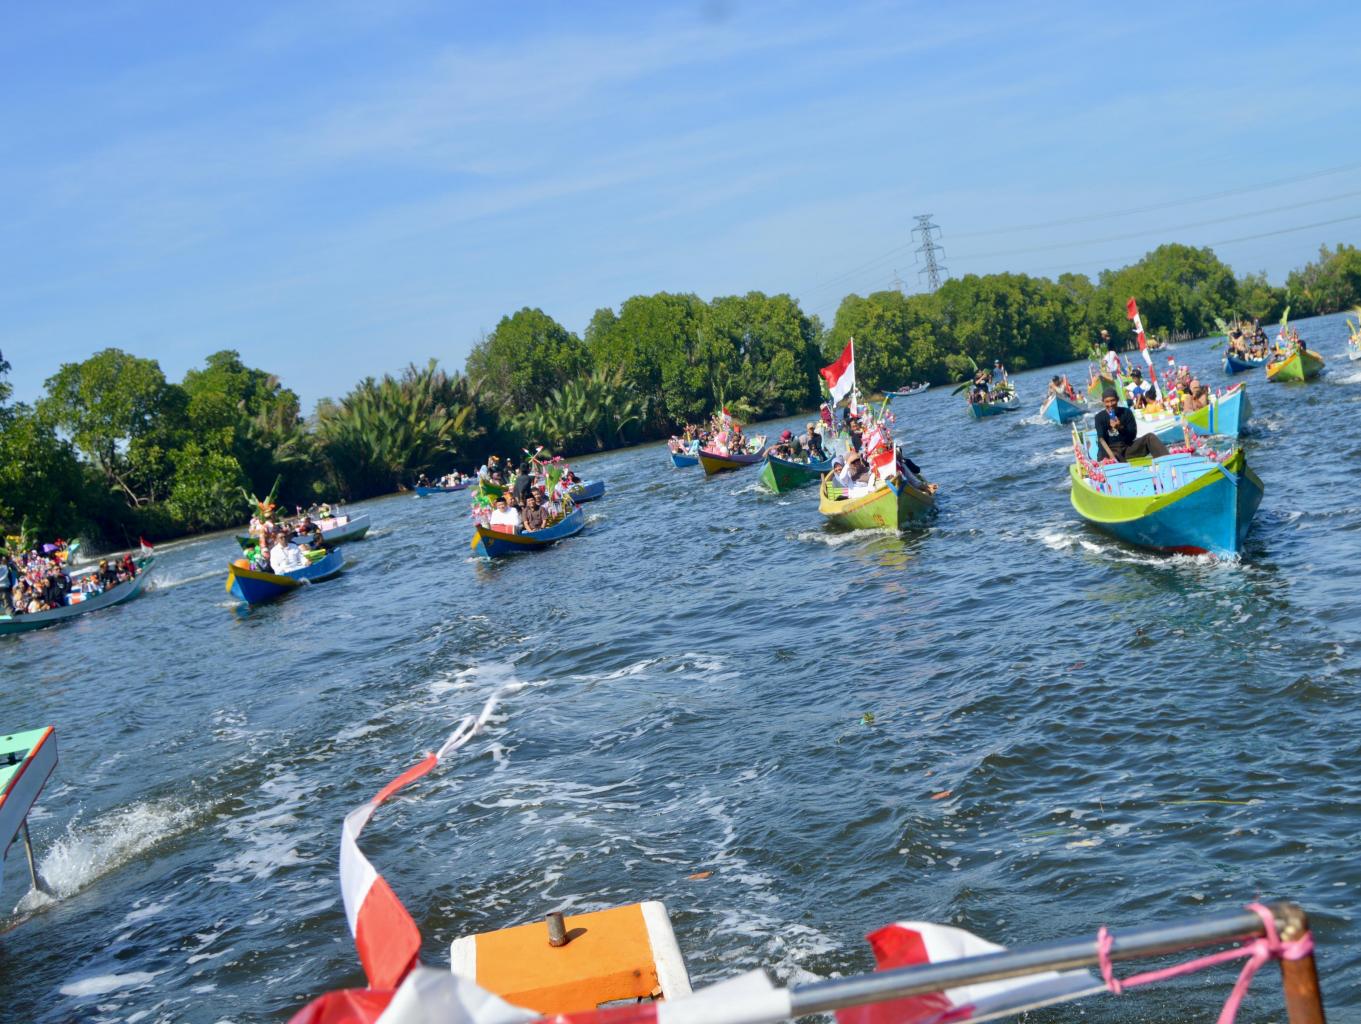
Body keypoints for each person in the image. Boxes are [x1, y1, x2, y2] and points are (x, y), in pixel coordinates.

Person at [1093, 388, 1169, 462]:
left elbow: (1132, 436)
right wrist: (1103, 460)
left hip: (1127, 448)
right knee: (1113, 455)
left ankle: (1168, 461)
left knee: (1150, 437)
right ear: (1103, 402)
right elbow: (1101, 440)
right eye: (1107, 402)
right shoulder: (1099, 417)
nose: (1110, 404)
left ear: (1117, 399)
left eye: (1113, 400)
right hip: (1112, 451)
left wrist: (1120, 427)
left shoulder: (1126, 412)